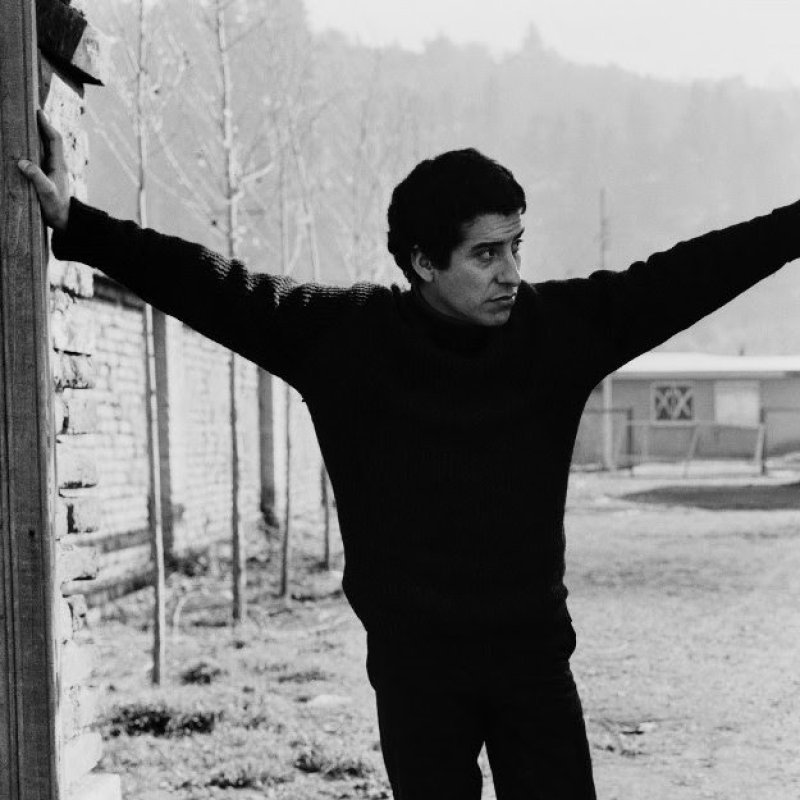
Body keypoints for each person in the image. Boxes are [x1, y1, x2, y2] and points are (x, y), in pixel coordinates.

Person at [19, 109, 800, 799]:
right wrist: (76, 222)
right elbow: (212, 285)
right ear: (425, 262)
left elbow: (686, 275)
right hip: (415, 672)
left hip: (532, 661)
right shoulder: (345, 338)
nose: (512, 274)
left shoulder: (556, 331)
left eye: (517, 246)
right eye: (486, 255)